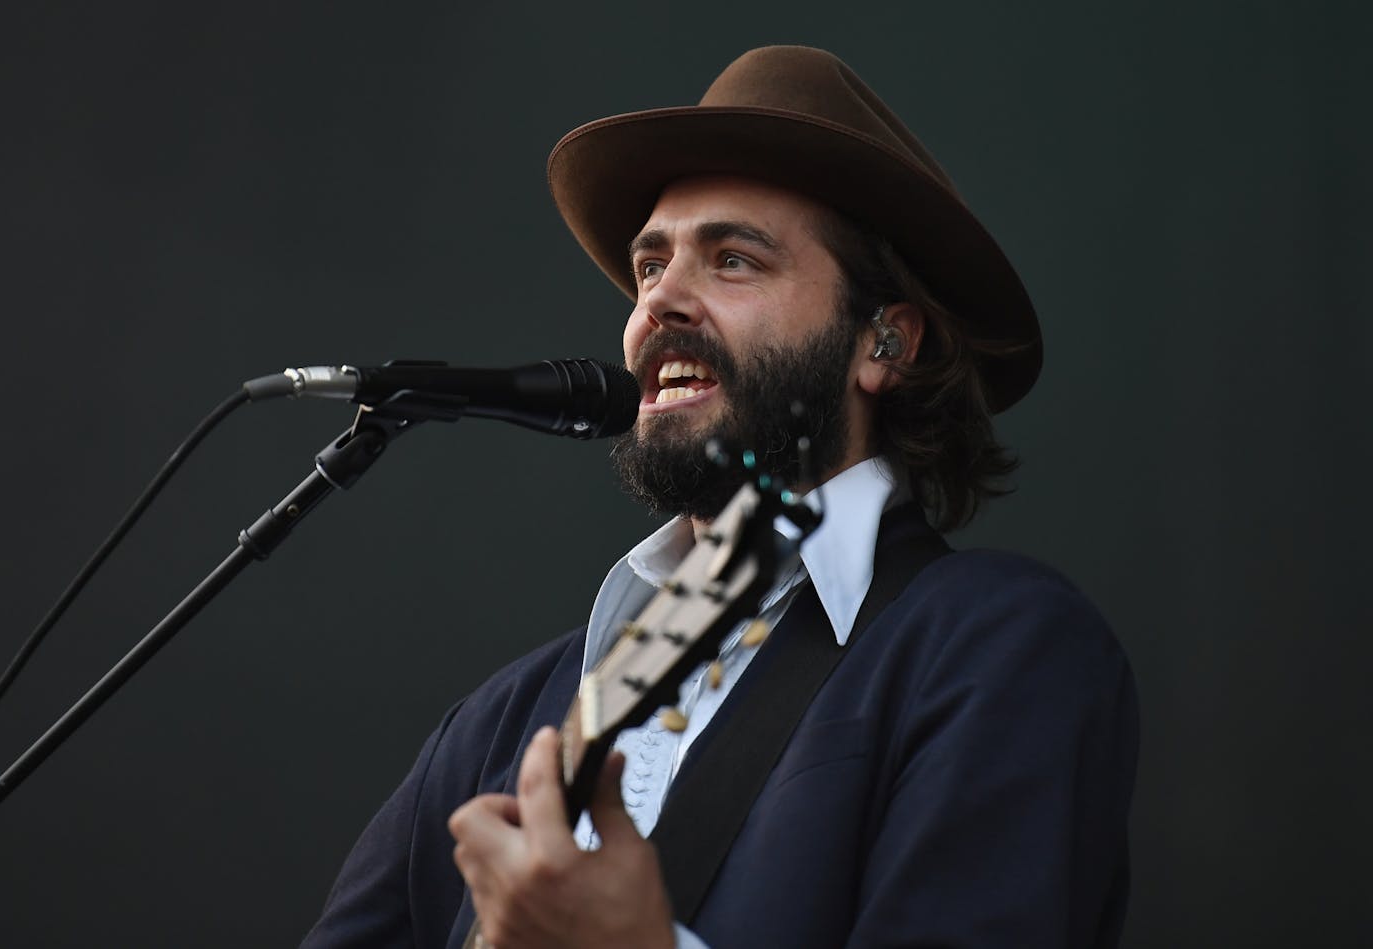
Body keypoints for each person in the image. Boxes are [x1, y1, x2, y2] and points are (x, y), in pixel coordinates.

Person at [302, 46, 1138, 949]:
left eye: (733, 259)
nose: (659, 303)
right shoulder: (502, 718)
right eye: (650, 264)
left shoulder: (996, 647)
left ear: (884, 343)